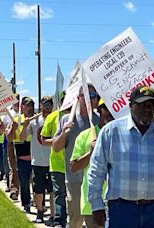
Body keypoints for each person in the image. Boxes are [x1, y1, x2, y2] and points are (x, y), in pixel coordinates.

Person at [88, 85, 154, 228]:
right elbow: (96, 171)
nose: (147, 109)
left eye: (151, 105)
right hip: (121, 210)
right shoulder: (111, 132)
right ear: (131, 106)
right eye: (142, 105)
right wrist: (96, 205)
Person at [53, 84, 99, 228]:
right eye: (85, 96)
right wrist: (63, 133)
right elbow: (56, 147)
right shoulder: (67, 120)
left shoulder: (101, 120)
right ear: (78, 98)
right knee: (76, 220)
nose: (89, 100)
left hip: (97, 180)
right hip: (75, 180)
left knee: (96, 222)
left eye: (92, 96)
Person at [70, 98, 114, 228]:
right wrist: (90, 153)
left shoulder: (122, 135)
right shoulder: (85, 136)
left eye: (113, 109)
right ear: (100, 110)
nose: (110, 113)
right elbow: (74, 167)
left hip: (117, 201)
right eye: (106, 108)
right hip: (93, 202)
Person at [40, 91, 68, 228]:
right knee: (59, 194)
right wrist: (58, 140)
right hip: (57, 163)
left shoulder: (82, 116)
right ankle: (60, 220)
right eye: (64, 99)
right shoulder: (52, 117)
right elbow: (43, 140)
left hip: (76, 163)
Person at [28, 96, 55, 224]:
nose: (47, 107)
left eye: (49, 104)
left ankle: (53, 215)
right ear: (41, 105)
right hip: (38, 160)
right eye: (45, 104)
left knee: (52, 189)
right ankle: (39, 211)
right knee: (38, 189)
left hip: (53, 161)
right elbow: (23, 137)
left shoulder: (56, 120)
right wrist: (23, 125)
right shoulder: (34, 122)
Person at [8, 96, 35, 213]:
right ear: (22, 107)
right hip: (22, 155)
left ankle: (40, 204)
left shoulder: (37, 118)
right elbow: (9, 138)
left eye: (32, 105)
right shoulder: (16, 119)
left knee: (37, 182)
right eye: (27, 105)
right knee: (24, 182)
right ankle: (26, 202)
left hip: (36, 155)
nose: (30, 108)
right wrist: (13, 129)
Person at [4, 94, 21, 200]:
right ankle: (14, 189)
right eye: (15, 100)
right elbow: (3, 130)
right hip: (11, 143)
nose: (17, 102)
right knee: (14, 167)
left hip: (24, 143)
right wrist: (10, 130)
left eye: (19, 100)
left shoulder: (24, 113)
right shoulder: (7, 114)